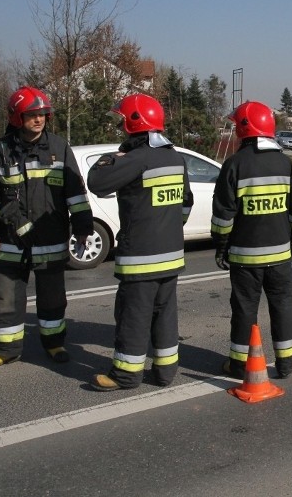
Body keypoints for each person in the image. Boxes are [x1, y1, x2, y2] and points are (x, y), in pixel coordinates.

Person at [0, 86, 93, 371]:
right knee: (6, 299)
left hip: (50, 239)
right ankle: (6, 350)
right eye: (32, 115)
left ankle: (54, 344)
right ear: (18, 117)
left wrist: (83, 227)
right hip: (10, 240)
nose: (39, 119)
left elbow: (75, 193)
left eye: (42, 114)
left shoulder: (58, 147)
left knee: (52, 299)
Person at [86, 94, 193, 391]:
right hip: (171, 255)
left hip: (141, 258)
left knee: (133, 315)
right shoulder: (175, 158)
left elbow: (96, 181)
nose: (120, 126)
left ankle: (126, 374)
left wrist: (111, 157)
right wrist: (168, 227)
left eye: (122, 120)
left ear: (133, 122)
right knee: (165, 315)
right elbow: (185, 205)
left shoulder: (134, 159)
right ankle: (165, 372)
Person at [211, 101, 292, 380]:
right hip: (280, 256)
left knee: (244, 310)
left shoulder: (233, 165)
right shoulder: (285, 163)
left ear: (244, 129)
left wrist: (221, 246)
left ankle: (239, 365)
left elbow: (223, 216)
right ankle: (288, 362)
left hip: (244, 257)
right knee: (283, 306)